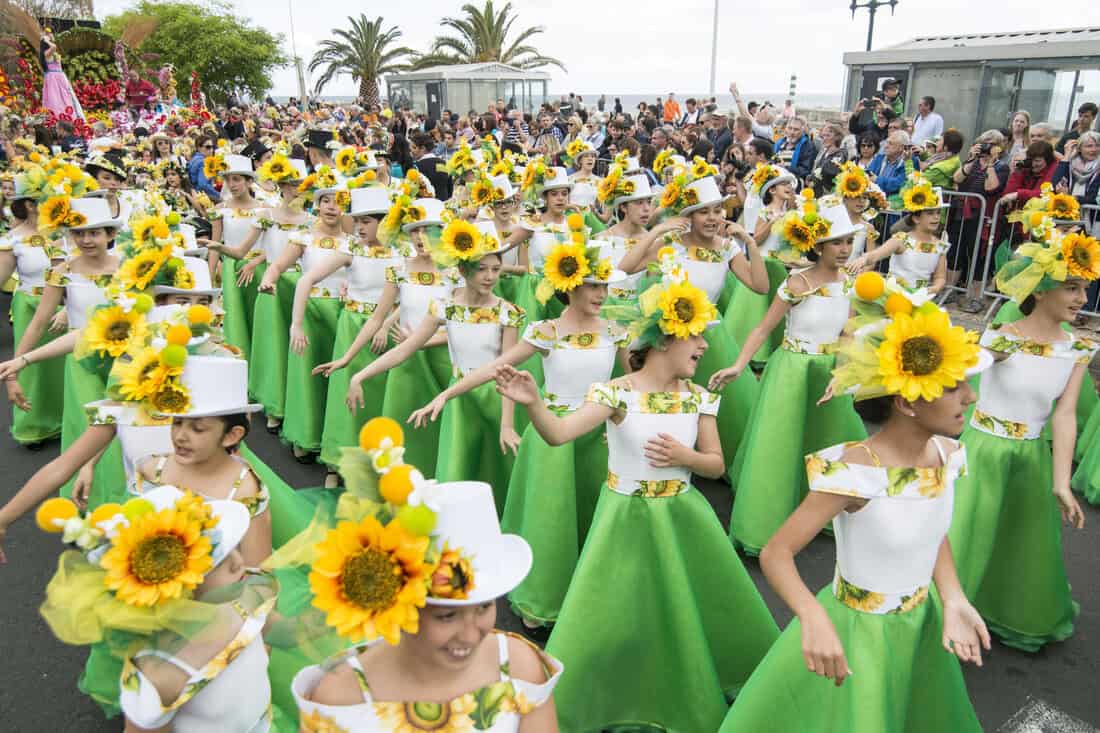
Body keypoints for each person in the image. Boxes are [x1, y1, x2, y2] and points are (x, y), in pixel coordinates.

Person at [494, 265, 779, 731]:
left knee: (677, 604)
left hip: (682, 516)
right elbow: (560, 434)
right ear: (667, 341)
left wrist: (686, 456)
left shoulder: (698, 397)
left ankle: (680, 683)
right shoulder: (616, 393)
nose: (706, 346)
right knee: (614, 607)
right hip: (623, 517)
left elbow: (716, 465)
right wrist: (533, 404)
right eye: (697, 339)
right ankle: (605, 690)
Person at [719, 291, 990, 732]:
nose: (971, 395)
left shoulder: (947, 454)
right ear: (907, 402)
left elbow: (930, 531)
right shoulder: (855, 472)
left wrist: (954, 597)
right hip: (857, 632)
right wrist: (812, 616)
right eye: (953, 386)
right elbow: (776, 553)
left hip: (919, 623)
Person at [409, 241, 629, 629]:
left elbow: (629, 383)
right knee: (551, 516)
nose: (600, 294)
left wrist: (626, 423)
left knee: (596, 516)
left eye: (604, 286)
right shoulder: (545, 331)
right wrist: (446, 393)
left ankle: (595, 598)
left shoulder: (615, 330)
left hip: (600, 435)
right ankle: (545, 599)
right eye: (592, 285)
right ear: (570, 285)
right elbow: (496, 367)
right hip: (551, 438)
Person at [950, 219, 1095, 652]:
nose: (1082, 299)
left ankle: (1005, 611)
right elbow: (961, 373)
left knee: (1021, 541)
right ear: (1040, 289)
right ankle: (946, 615)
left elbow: (1065, 415)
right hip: (982, 453)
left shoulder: (1078, 349)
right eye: (1071, 287)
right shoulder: (1002, 338)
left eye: (1084, 288)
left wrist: (1061, 482)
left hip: (1030, 456)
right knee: (965, 536)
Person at [712, 202, 867, 554]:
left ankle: (823, 509)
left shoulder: (851, 285)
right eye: (836, 243)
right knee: (781, 443)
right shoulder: (796, 284)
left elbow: (848, 333)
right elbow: (763, 328)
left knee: (826, 439)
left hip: (828, 372)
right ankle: (765, 521)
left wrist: (843, 372)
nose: (844, 251)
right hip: (792, 370)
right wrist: (739, 365)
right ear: (818, 246)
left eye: (848, 243)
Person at [0, 166, 68, 446]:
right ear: (30, 204)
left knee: (64, 366)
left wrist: (66, 308)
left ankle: (67, 421)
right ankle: (34, 427)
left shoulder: (69, 234)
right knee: (31, 365)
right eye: (47, 199)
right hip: (30, 306)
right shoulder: (12, 240)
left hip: (67, 307)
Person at [39, 28, 84, 121]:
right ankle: (58, 117)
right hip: (53, 78)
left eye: (50, 33)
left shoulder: (53, 52)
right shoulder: (47, 53)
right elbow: (54, 46)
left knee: (66, 97)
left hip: (60, 76)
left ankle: (70, 116)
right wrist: (46, 40)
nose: (51, 35)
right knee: (55, 99)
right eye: (49, 34)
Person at [1050, 130, 1100, 206]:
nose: (1094, 150)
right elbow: (1054, 185)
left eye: (1098, 145)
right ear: (1079, 148)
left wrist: (1069, 197)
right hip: (1065, 212)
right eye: (1089, 146)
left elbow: (1093, 198)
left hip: (1091, 215)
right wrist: (1066, 156)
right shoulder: (1070, 164)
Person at [807, 121, 847, 197]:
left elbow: (829, 171)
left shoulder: (840, 153)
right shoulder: (825, 151)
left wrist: (814, 178)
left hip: (829, 194)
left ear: (837, 137)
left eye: (828, 136)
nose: (824, 139)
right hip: (817, 191)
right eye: (823, 136)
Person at [409, 130, 452, 200]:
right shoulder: (444, 163)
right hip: (444, 206)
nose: (411, 151)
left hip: (427, 207)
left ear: (423, 148)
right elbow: (450, 189)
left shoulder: (416, 167)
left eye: (414, 147)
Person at [187, 135, 221, 202]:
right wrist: (219, 196)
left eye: (212, 147)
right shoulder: (203, 161)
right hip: (202, 197)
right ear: (199, 148)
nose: (211, 150)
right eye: (208, 147)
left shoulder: (194, 159)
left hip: (195, 194)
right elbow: (203, 185)